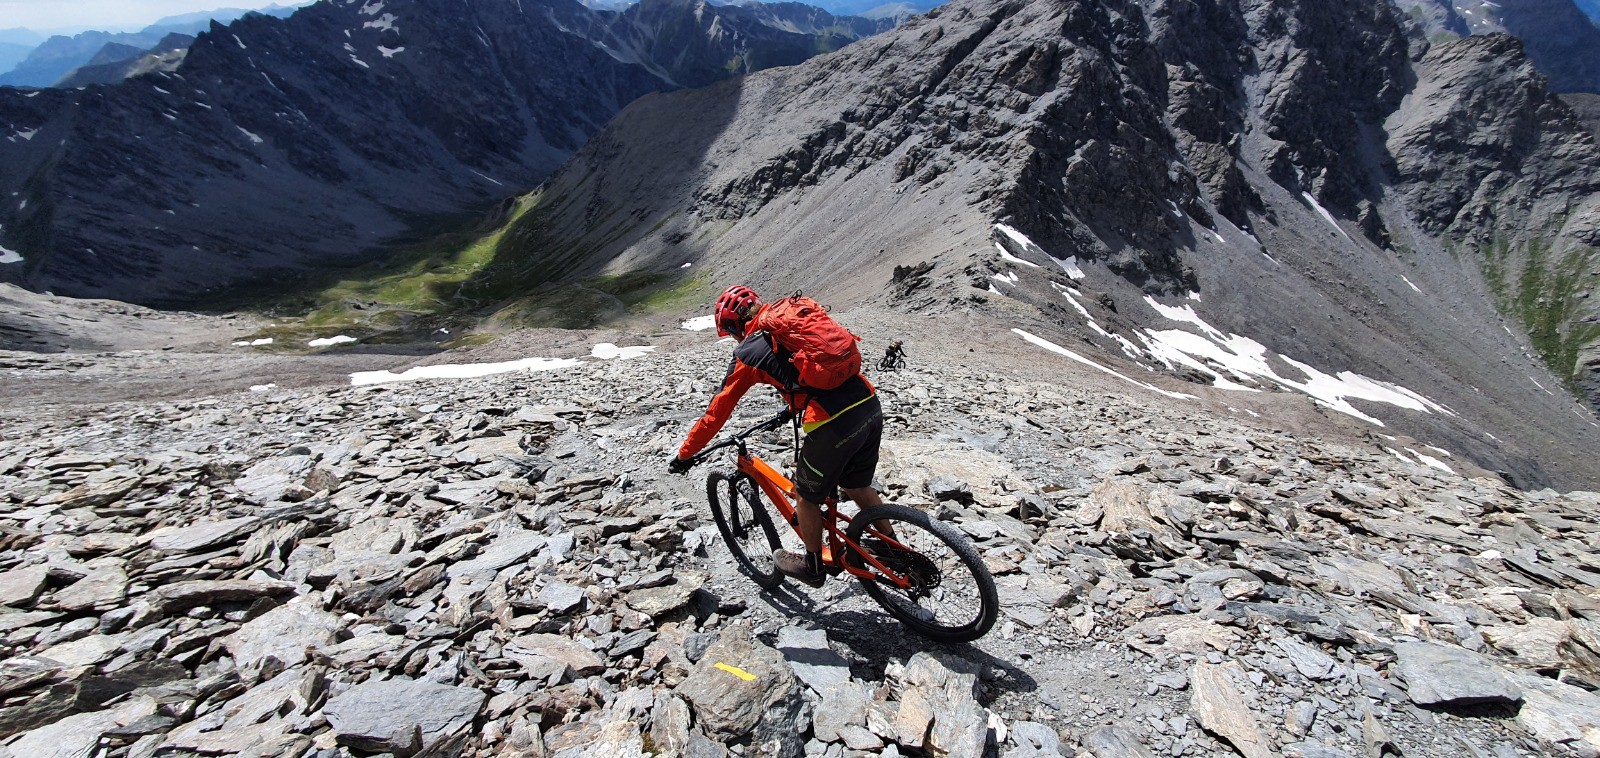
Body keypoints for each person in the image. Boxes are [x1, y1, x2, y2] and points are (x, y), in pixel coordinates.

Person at [669, 285, 884, 587]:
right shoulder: (787, 324)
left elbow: (716, 413)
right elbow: (805, 373)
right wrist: (792, 407)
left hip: (833, 424)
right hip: (869, 404)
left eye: (730, 332)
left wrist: (685, 454)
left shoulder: (747, 352)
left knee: (806, 498)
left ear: (733, 326)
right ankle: (891, 547)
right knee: (856, 484)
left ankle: (813, 566)